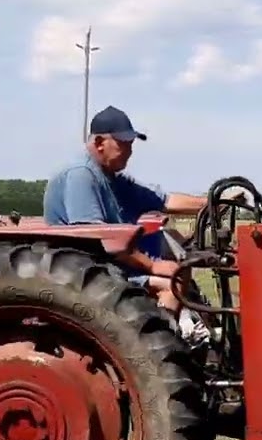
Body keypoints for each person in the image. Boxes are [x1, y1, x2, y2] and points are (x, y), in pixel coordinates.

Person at [42, 105, 212, 315]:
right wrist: (152, 266)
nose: (130, 152)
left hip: (108, 268)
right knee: (171, 283)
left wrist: (212, 203)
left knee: (178, 260)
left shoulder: (112, 177)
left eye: (131, 145)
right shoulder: (81, 174)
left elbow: (165, 201)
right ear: (99, 143)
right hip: (85, 275)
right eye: (123, 144)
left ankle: (179, 330)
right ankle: (164, 341)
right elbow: (98, 238)